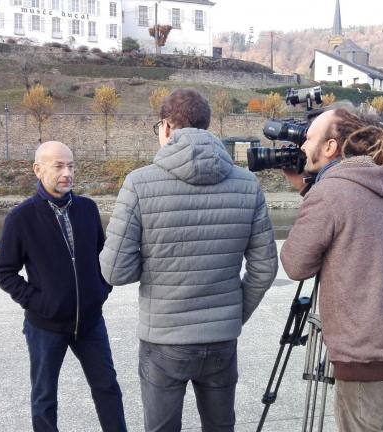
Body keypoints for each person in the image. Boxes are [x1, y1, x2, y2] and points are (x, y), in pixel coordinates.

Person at [100, 88, 278, 432]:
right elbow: (265, 267)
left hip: (164, 339)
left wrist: (153, 261)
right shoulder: (248, 184)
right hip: (221, 338)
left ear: (166, 127)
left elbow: (114, 270)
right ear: (208, 126)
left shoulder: (139, 184)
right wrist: (232, 314)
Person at [280, 108, 383, 432]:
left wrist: (312, 195)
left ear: (330, 147)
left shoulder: (331, 192)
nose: (301, 147)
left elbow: (295, 265)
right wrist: (310, 190)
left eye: (308, 138)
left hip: (373, 372)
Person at [0, 141, 127, 432]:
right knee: (44, 398)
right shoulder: (21, 218)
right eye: (59, 166)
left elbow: (101, 256)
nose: (67, 173)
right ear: (37, 170)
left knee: (108, 388)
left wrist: (101, 290)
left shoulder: (88, 209)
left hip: (90, 323)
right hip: (45, 326)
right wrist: (41, 303)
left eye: (71, 166)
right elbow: (5, 272)